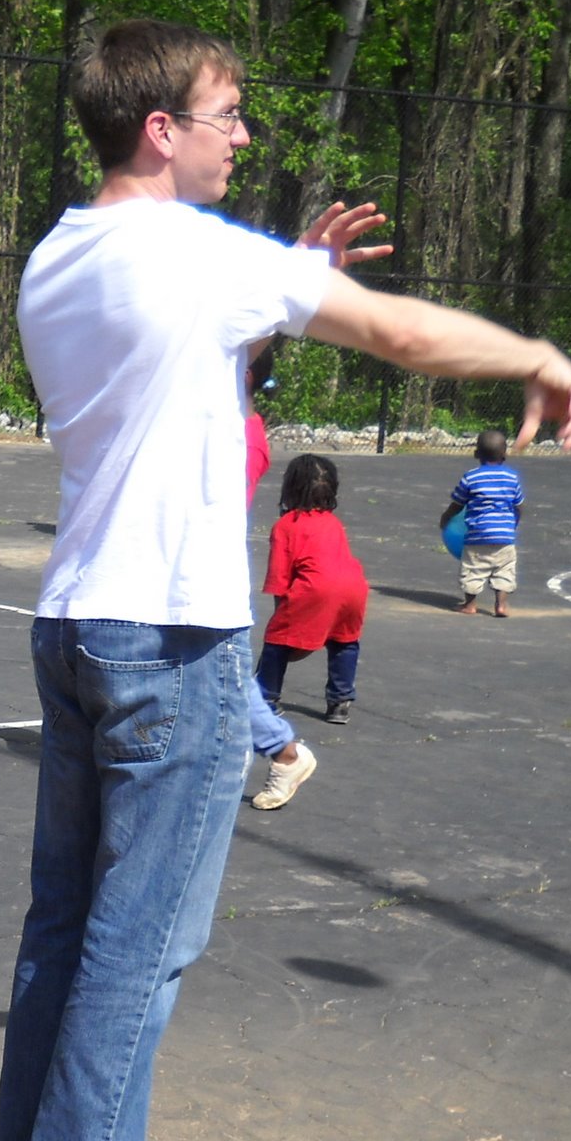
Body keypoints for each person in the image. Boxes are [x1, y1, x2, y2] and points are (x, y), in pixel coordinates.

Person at [0, 16, 571, 1141]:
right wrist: (534, 352)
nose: (244, 137)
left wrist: (285, 275)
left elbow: (184, 362)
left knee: (67, 917)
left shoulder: (58, 252)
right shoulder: (199, 253)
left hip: (78, 617)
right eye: (227, 116)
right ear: (161, 128)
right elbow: (401, 335)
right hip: (172, 634)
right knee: (144, 930)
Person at [243, 344, 319, 811]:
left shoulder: (244, 439)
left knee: (224, 677)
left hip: (203, 583)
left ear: (245, 377)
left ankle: (284, 752)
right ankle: (279, 750)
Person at [254, 453, 369, 724]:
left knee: (276, 642)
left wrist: (283, 621)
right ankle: (340, 702)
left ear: (290, 488)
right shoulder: (333, 522)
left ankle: (265, 698)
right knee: (344, 640)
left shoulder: (286, 526)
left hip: (316, 588)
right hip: (354, 588)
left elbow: (280, 578)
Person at [441, 428, 523, 617]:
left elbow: (457, 504)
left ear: (476, 453)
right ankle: (501, 605)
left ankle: (470, 605)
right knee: (504, 570)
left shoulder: (471, 477)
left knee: (472, 570)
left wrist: (446, 518)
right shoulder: (512, 478)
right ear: (505, 454)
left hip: (477, 536)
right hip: (505, 538)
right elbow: (518, 506)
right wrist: (513, 524)